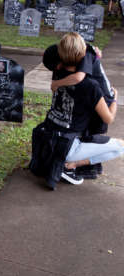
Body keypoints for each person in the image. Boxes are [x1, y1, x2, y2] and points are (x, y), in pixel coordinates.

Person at [30, 33, 124, 190]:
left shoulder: (57, 74)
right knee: (121, 146)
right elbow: (108, 119)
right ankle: (70, 166)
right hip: (66, 146)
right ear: (83, 55)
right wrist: (115, 99)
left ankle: (68, 163)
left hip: (46, 137)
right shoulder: (91, 86)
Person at [43, 37, 115, 178]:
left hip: (105, 95)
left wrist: (56, 84)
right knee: (86, 125)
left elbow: (78, 78)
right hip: (93, 91)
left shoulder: (85, 55)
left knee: (96, 127)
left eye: (56, 66)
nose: (58, 70)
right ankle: (78, 160)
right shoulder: (73, 53)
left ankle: (87, 166)